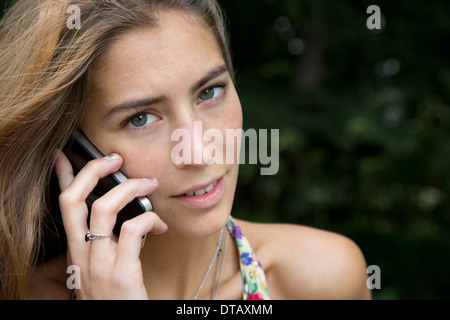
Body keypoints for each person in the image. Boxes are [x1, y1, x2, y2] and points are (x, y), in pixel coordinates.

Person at [0, 0, 371, 300]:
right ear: (76, 150)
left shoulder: (324, 277)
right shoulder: (23, 292)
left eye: (210, 92)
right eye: (141, 118)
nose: (198, 151)